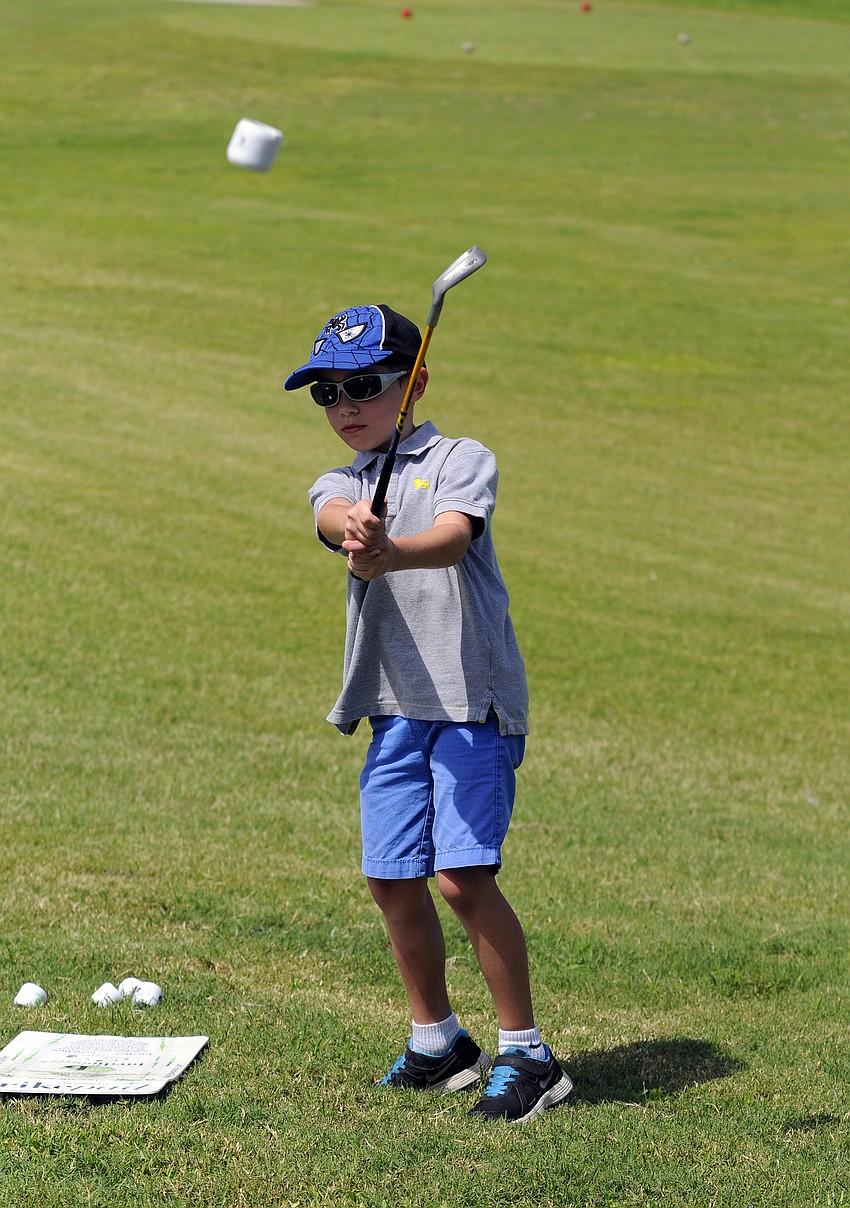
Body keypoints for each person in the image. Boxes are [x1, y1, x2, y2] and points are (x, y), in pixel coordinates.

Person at [285, 302, 572, 1123]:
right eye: (326, 393)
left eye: (365, 386)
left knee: (460, 877)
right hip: (395, 711)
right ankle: (437, 1041)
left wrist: (392, 551)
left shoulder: (459, 459)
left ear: (413, 383)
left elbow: (451, 536)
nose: (345, 405)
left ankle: (528, 1054)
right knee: (390, 878)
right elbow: (327, 515)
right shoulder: (342, 482)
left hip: (468, 704)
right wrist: (354, 528)